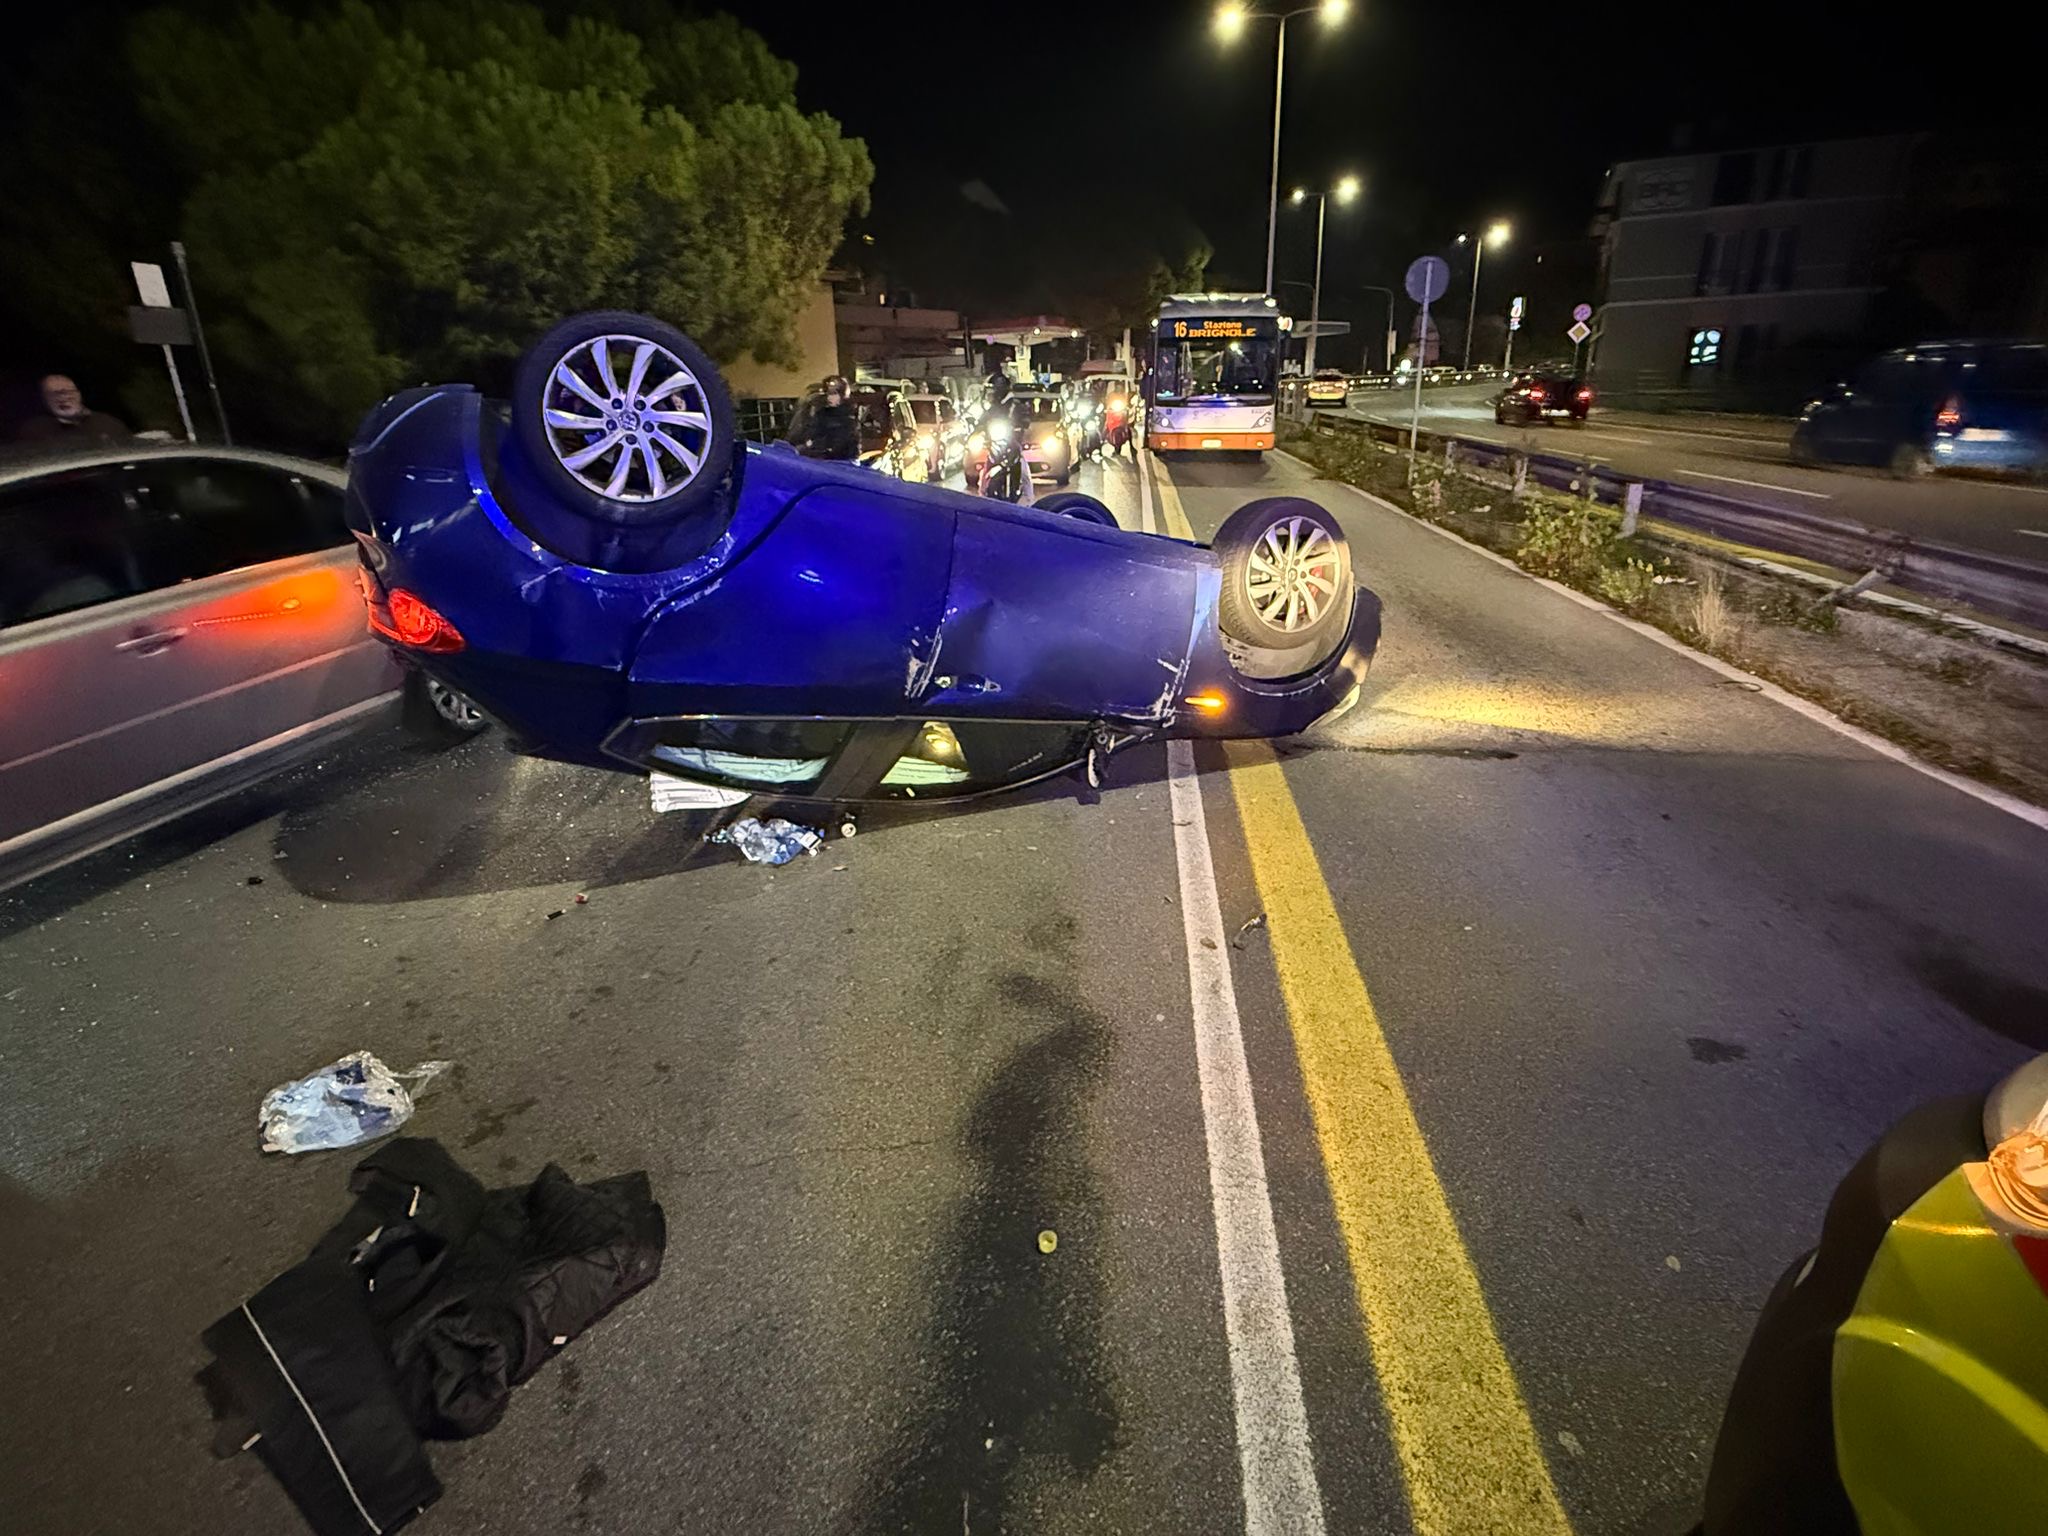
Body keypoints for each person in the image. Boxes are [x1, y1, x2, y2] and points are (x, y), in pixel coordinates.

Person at [13, 374, 132, 447]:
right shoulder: (33, 431)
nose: (63, 397)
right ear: (44, 399)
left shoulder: (109, 424)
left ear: (78, 394)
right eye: (55, 393)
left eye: (68, 391)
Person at [785, 374, 859, 461]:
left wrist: (813, 445)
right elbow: (809, 431)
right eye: (828, 394)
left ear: (842, 395)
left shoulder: (848, 416)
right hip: (820, 458)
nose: (830, 398)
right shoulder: (821, 413)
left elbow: (841, 441)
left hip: (838, 461)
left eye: (834, 394)